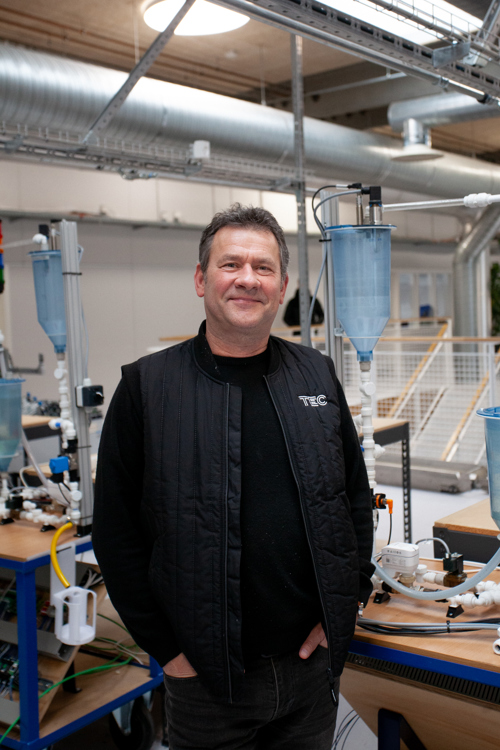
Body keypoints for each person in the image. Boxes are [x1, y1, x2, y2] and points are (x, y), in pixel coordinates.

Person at [93, 204, 374, 750]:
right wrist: (170, 654)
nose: (248, 279)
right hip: (206, 685)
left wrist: (345, 603)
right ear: (202, 279)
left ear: (282, 286)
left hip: (309, 671)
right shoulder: (148, 388)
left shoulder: (316, 374)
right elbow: (116, 534)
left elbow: (353, 500)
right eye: (231, 264)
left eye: (263, 267)